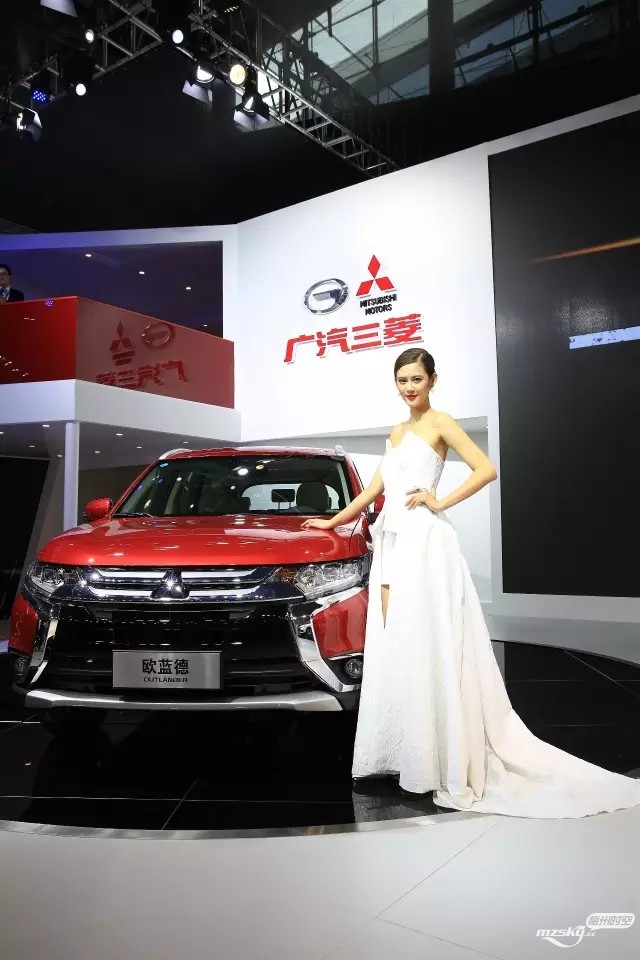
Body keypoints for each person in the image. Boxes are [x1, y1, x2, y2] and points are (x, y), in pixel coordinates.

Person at [302, 347, 640, 818]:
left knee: (425, 638)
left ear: (432, 380)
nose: (409, 387)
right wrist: (333, 521)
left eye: (416, 378)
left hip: (425, 541)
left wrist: (440, 501)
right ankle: (405, 750)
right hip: (392, 540)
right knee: (394, 639)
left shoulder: (441, 423)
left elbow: (486, 468)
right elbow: (375, 489)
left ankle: (436, 756)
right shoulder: (396, 432)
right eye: (402, 380)